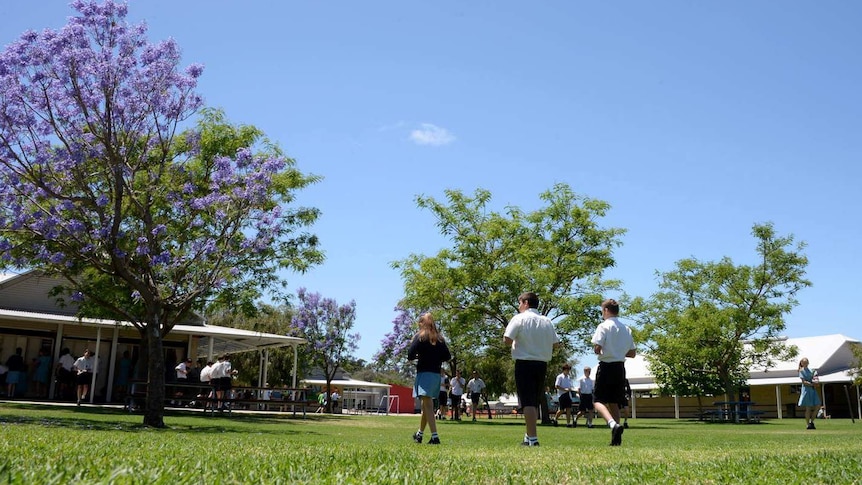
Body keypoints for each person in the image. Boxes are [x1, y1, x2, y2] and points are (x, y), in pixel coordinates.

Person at [503, 291, 560, 447]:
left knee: (527, 402)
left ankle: (533, 439)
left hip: (524, 363)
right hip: (541, 363)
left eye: (520, 303)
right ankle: (528, 437)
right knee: (533, 401)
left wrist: (518, 342)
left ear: (526, 303)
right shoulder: (547, 321)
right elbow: (555, 344)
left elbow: (507, 339)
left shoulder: (519, 319)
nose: (519, 306)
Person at [591, 299, 636, 446]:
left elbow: (597, 348)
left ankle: (612, 424)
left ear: (605, 310)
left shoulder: (603, 326)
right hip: (620, 367)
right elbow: (632, 353)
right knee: (614, 402)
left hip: (606, 366)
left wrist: (604, 350)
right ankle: (616, 438)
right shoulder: (626, 328)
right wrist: (619, 351)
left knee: (598, 401)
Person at [407, 312, 452, 445]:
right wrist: (435, 357)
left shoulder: (420, 336)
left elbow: (410, 355)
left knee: (427, 404)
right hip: (436, 375)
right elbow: (447, 356)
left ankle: (435, 436)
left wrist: (420, 356)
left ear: (422, 323)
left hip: (424, 373)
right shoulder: (440, 338)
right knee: (425, 405)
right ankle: (419, 434)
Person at [797, 357, 821, 430]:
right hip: (806, 390)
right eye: (803, 362)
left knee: (818, 405)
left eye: (806, 362)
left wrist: (816, 382)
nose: (805, 364)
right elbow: (804, 382)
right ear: (801, 363)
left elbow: (815, 378)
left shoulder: (812, 370)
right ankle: (808, 424)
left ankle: (811, 421)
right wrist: (812, 384)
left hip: (813, 390)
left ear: (808, 363)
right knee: (808, 408)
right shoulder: (801, 371)